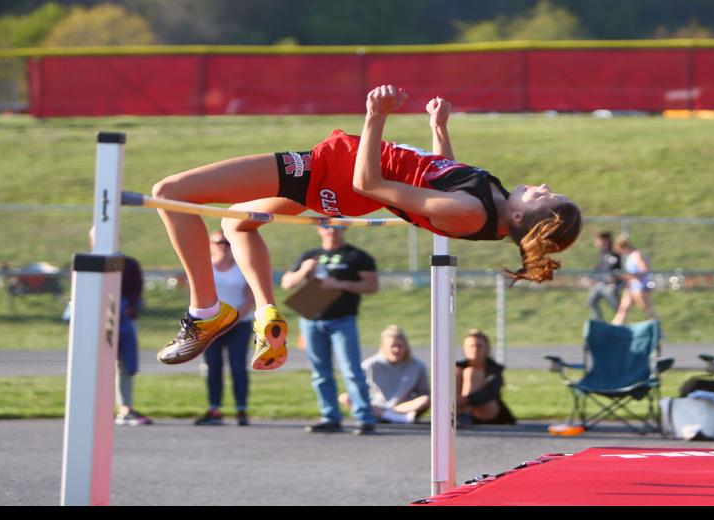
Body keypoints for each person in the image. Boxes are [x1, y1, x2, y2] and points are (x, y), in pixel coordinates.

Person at [149, 83, 580, 376]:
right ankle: (265, 312)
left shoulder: (470, 210)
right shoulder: (487, 202)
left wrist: (376, 116)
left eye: (544, 196)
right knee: (237, 223)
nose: (541, 186)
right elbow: (438, 174)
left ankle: (205, 311)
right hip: (337, 172)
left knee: (171, 191)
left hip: (335, 173)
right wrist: (438, 129)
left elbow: (370, 185)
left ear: (523, 219)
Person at [281, 226, 378, 435]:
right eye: (326, 225)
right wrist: (303, 271)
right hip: (311, 319)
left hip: (342, 319)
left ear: (345, 227)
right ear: (318, 228)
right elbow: (286, 283)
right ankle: (330, 416)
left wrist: (340, 283)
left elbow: (371, 285)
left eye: (336, 225)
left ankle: (363, 417)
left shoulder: (355, 256)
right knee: (320, 373)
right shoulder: (310, 255)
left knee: (351, 370)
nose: (331, 230)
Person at [195, 230, 255, 425]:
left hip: (238, 324)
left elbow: (250, 297)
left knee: (238, 367)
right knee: (213, 366)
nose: (223, 246)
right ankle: (214, 408)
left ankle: (241, 409)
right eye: (219, 242)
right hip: (211, 324)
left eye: (227, 243)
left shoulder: (242, 267)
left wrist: (234, 318)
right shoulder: (205, 267)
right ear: (211, 245)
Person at [112, 243, 152, 426]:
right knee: (96, 366)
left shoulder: (129, 264)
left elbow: (136, 290)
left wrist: (127, 309)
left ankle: (125, 407)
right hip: (95, 322)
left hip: (124, 321)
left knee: (125, 363)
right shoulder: (87, 264)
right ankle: (93, 407)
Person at [360, 324, 431, 424]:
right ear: (383, 347)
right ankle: (391, 416)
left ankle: (387, 415)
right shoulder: (370, 365)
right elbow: (361, 391)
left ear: (406, 347)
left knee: (425, 400)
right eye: (393, 346)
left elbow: (424, 393)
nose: (396, 350)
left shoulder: (417, 366)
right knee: (347, 397)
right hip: (377, 406)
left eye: (400, 346)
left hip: (402, 407)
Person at [456, 329, 516, 426]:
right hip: (459, 406)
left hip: (488, 410)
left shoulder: (494, 369)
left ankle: (464, 415)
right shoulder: (458, 367)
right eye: (471, 346)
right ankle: (455, 415)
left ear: (487, 349)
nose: (475, 349)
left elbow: (491, 391)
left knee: (471, 372)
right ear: (464, 348)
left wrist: (466, 400)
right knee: (455, 371)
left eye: (479, 346)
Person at [611, 235, 654, 325]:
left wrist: (629, 276)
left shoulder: (636, 255)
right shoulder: (630, 256)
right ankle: (613, 330)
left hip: (639, 287)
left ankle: (659, 331)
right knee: (622, 310)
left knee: (647, 310)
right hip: (631, 287)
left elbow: (643, 270)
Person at [582, 231, 622, 321]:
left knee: (616, 307)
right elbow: (598, 268)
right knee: (591, 301)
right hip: (600, 284)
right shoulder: (603, 253)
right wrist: (590, 278)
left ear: (605, 240)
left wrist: (605, 278)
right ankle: (599, 323)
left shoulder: (614, 253)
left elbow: (612, 270)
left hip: (610, 285)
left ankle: (620, 325)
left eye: (598, 240)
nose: (596, 242)